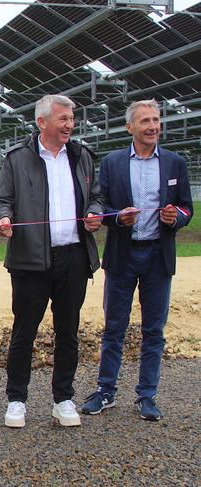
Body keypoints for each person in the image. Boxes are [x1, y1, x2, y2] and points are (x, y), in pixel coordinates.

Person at [0, 94, 103, 428]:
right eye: (63, 119)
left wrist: (95, 212)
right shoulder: (16, 159)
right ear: (42, 122)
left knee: (68, 332)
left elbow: (96, 196)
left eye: (71, 118)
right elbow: (3, 200)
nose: (70, 124)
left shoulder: (81, 155)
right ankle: (16, 400)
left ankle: (63, 399)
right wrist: (3, 218)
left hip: (73, 256)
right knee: (24, 331)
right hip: (30, 259)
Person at [81, 100, 194, 421]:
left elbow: (187, 207)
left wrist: (176, 217)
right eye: (145, 120)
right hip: (123, 256)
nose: (153, 126)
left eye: (156, 120)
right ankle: (106, 391)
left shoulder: (174, 163)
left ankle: (147, 395)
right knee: (114, 327)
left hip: (158, 256)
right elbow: (101, 205)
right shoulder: (113, 163)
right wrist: (117, 218)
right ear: (130, 127)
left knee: (154, 330)